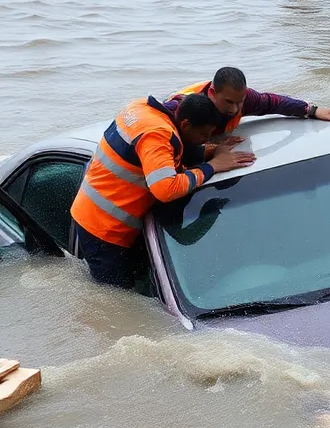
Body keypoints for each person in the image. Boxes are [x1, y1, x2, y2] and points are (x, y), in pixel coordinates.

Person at [69, 94, 255, 288]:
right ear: (184, 124)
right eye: (203, 135)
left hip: (96, 214)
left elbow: (157, 155)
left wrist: (208, 151)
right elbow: (166, 189)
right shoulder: (157, 134)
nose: (205, 140)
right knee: (115, 296)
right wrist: (212, 167)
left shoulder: (143, 108)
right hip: (104, 231)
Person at [165, 67, 330, 138]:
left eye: (240, 102)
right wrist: (211, 152)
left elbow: (274, 102)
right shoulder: (184, 108)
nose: (235, 109)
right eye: (228, 102)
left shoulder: (241, 99)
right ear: (212, 93)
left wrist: (313, 110)